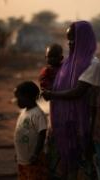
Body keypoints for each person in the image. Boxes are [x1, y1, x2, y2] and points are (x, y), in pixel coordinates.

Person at [42, 20, 98, 179]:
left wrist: (52, 95)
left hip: (83, 125)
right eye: (68, 39)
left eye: (73, 38)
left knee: (81, 166)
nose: (69, 43)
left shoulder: (92, 64)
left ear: (85, 38)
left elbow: (78, 92)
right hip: (64, 125)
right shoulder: (68, 63)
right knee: (64, 166)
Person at [13, 81, 48, 180]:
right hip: (23, 159)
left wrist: (36, 154)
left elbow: (42, 134)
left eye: (18, 97)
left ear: (27, 97)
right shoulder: (24, 112)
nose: (16, 100)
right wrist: (18, 153)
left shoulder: (38, 114)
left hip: (33, 159)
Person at [38, 43, 63, 179]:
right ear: (46, 57)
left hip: (66, 104)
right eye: (49, 56)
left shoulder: (65, 68)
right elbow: (45, 87)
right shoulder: (46, 72)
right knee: (54, 131)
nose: (52, 59)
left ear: (62, 57)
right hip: (56, 105)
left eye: (55, 56)